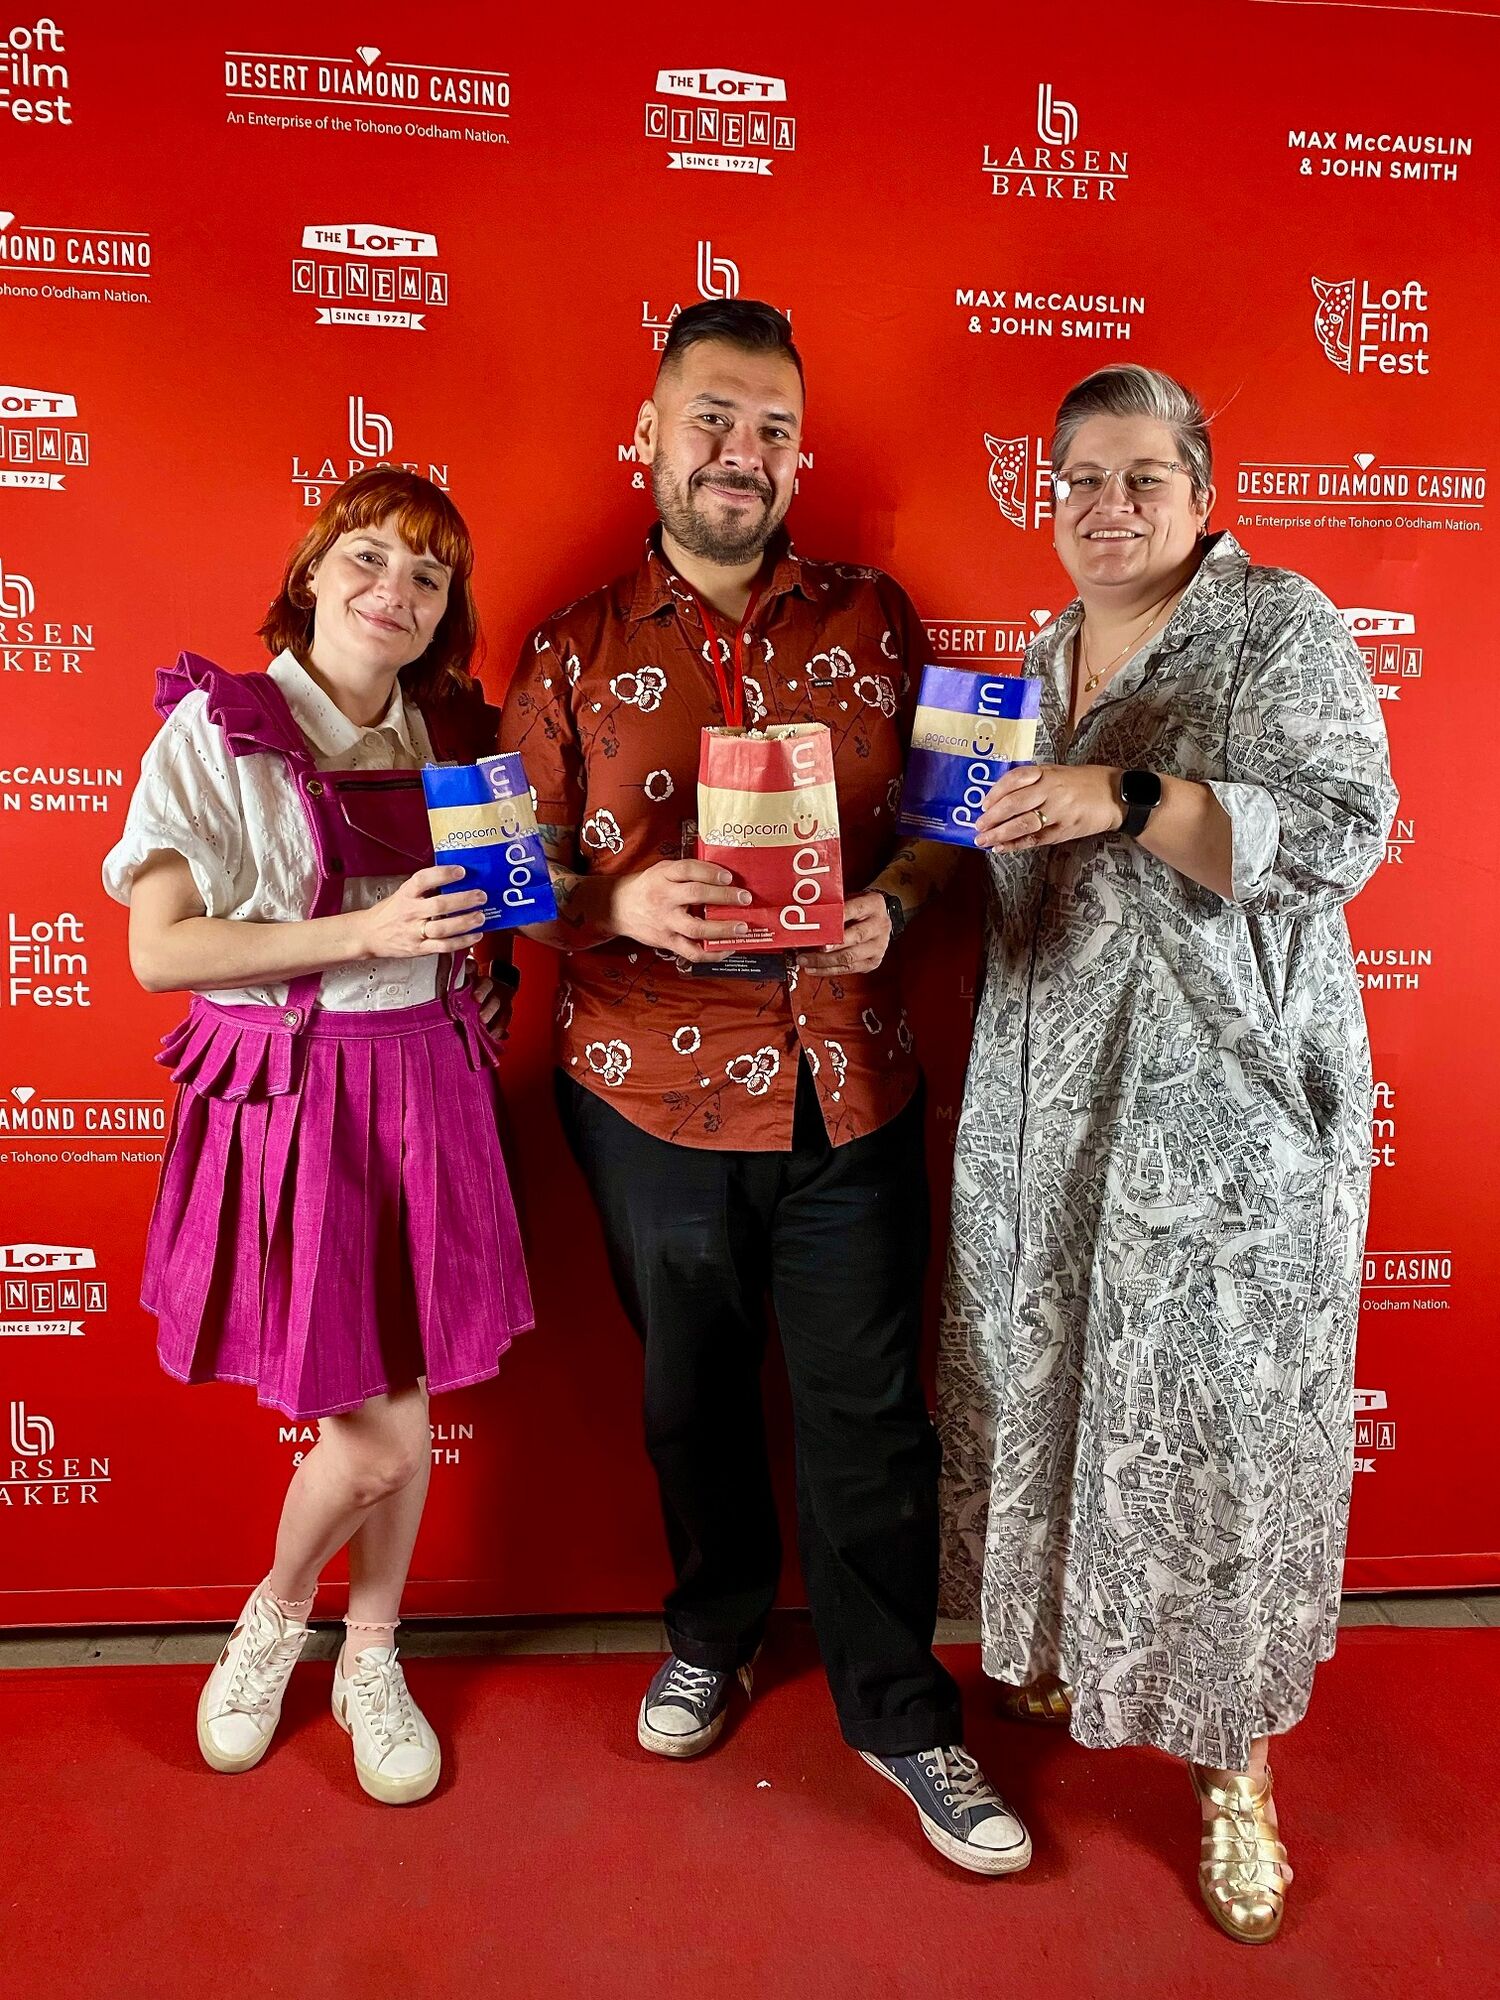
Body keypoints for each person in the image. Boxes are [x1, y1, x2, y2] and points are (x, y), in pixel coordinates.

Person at [499, 299, 1029, 1875]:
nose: (742, 455)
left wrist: (904, 905)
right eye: (712, 421)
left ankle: (902, 1712)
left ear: (802, 455)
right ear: (651, 437)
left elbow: (950, 823)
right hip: (648, 1094)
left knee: (871, 1415)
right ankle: (714, 1631)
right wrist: (609, 906)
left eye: (772, 430)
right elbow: (502, 873)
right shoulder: (572, 647)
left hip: (849, 1084)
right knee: (689, 1399)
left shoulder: (876, 618)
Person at [937, 363, 1397, 1939]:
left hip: (1221, 1122)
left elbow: (1343, 831)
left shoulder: (1281, 626)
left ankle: (1236, 1773)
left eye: (1144, 477)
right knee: (1063, 1388)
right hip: (1054, 1104)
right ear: (1044, 492)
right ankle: (1071, 1646)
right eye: (1082, 477)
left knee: (1213, 1447)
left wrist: (1129, 792)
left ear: (1205, 492)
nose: (1109, 505)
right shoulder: (1046, 653)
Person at [103, 469, 532, 1804]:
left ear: (448, 610)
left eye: (427, 576)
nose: (392, 594)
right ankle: (276, 1619)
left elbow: (509, 905)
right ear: (308, 575)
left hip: (432, 1077)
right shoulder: (217, 728)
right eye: (366, 559)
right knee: (382, 1436)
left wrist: (569, 901)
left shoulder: (457, 730)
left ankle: (373, 1649)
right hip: (295, 1092)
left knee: (404, 1389)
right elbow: (158, 948)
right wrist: (363, 932)